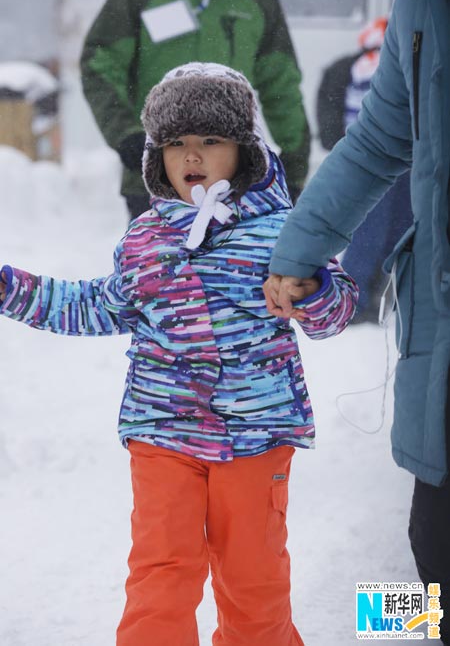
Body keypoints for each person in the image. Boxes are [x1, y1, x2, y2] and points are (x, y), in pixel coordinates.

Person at [0, 62, 356, 646]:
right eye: (174, 143)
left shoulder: (283, 232)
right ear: (156, 157)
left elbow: (336, 309)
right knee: (160, 574)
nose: (191, 155)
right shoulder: (145, 239)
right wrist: (10, 289)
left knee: (253, 581)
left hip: (255, 435)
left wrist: (311, 292)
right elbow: (95, 305)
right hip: (162, 431)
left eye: (209, 140)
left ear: (243, 151)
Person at [264, 0, 450, 643]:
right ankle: (390, 622)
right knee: (430, 541)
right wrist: (298, 248)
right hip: (441, 311)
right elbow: (377, 141)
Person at [80, 0, 310, 220]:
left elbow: (281, 85)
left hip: (237, 187)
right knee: (151, 257)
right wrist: (126, 135)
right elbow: (100, 66)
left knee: (242, 258)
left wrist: (294, 164)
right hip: (154, 180)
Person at [317, 16, 413, 323]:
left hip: (382, 161)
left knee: (388, 228)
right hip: (386, 160)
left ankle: (370, 296)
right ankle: (360, 299)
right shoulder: (381, 68)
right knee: (377, 229)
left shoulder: (357, 66)